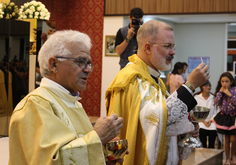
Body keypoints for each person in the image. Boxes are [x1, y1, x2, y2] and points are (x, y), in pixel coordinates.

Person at [8, 30, 126, 165]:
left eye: (89, 63)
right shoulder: (35, 105)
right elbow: (49, 161)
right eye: (81, 62)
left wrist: (103, 155)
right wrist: (98, 137)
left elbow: (76, 147)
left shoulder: (73, 102)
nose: (88, 69)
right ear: (54, 65)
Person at [106, 20, 209, 165]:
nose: (173, 52)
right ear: (147, 48)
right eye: (167, 46)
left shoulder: (156, 80)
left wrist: (184, 129)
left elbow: (164, 122)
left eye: (173, 46)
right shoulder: (131, 79)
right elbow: (156, 120)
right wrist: (189, 86)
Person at [213, 72, 236, 165]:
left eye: (226, 81)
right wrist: (220, 93)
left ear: (231, 82)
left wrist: (229, 94)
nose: (224, 84)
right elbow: (217, 102)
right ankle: (227, 159)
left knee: (233, 139)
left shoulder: (234, 90)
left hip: (233, 117)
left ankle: (233, 156)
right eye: (222, 81)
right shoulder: (220, 90)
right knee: (226, 139)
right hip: (224, 117)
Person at [194, 80, 219, 148]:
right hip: (201, 121)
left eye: (209, 85)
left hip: (211, 122)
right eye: (206, 85)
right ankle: (203, 148)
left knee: (213, 131)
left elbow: (216, 112)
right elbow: (195, 112)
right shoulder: (197, 98)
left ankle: (211, 148)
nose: (208, 87)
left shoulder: (213, 98)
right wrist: (204, 121)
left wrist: (210, 120)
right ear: (202, 87)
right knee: (202, 131)